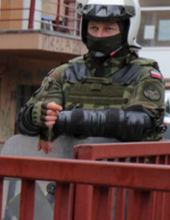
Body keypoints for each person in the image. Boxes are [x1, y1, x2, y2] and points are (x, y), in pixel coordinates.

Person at [16, 0, 166, 149]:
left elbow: (139, 123)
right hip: (71, 167)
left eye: (108, 29)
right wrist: (34, 116)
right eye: (94, 28)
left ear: (127, 30)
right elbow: (27, 123)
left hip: (125, 169)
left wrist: (73, 120)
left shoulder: (144, 75)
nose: (99, 35)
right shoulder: (65, 73)